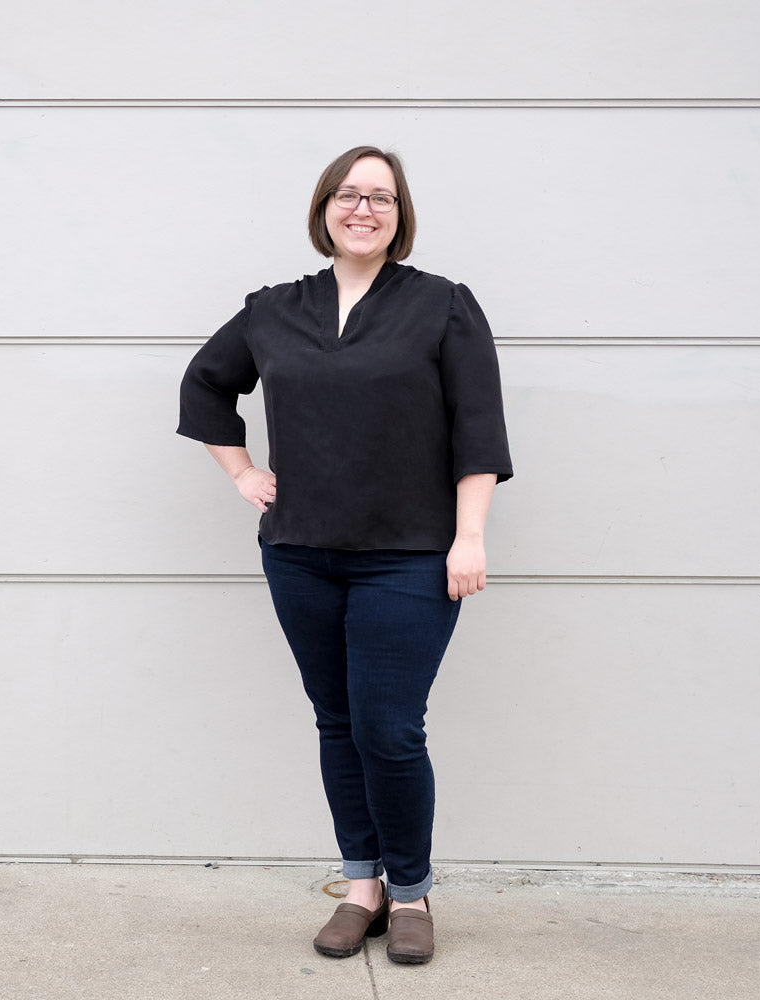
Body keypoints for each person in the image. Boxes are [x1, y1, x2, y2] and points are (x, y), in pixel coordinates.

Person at [177, 145, 513, 965]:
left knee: (389, 729)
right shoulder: (273, 309)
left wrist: (469, 536)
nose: (364, 209)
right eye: (350, 194)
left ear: (400, 217)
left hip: (410, 556)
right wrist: (244, 472)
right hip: (300, 554)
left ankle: (410, 892)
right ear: (324, 207)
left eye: (383, 198)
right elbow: (204, 385)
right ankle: (360, 885)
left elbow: (479, 427)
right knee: (337, 722)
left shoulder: (441, 306)